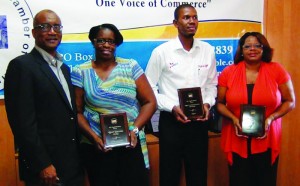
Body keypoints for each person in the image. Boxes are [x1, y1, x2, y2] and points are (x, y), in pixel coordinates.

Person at [4, 9, 84, 186]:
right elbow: (23, 123)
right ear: (34, 32)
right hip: (46, 169)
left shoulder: (63, 68)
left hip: (72, 164)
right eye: (45, 27)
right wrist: (42, 164)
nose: (52, 32)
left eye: (56, 26)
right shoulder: (22, 66)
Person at [71, 23, 157, 186]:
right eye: (101, 40)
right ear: (93, 42)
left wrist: (135, 129)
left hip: (130, 143)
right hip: (97, 146)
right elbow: (77, 111)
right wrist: (94, 138)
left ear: (116, 44)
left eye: (111, 41)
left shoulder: (130, 66)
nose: (106, 45)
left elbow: (150, 102)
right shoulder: (80, 71)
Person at [145, 4, 218, 186]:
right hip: (172, 122)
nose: (192, 21)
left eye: (195, 17)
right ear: (175, 23)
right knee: (169, 175)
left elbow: (211, 85)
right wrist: (172, 107)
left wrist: (207, 104)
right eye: (186, 17)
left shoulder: (207, 50)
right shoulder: (161, 52)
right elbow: (149, 89)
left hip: (199, 123)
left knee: (198, 174)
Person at [217, 32, 295, 186]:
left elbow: (290, 101)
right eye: (247, 46)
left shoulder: (276, 70)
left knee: (265, 180)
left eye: (257, 45)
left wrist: (271, 118)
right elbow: (219, 103)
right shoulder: (229, 72)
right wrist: (233, 119)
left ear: (263, 48)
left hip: (267, 136)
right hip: (236, 137)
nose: (252, 49)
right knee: (239, 181)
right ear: (241, 49)